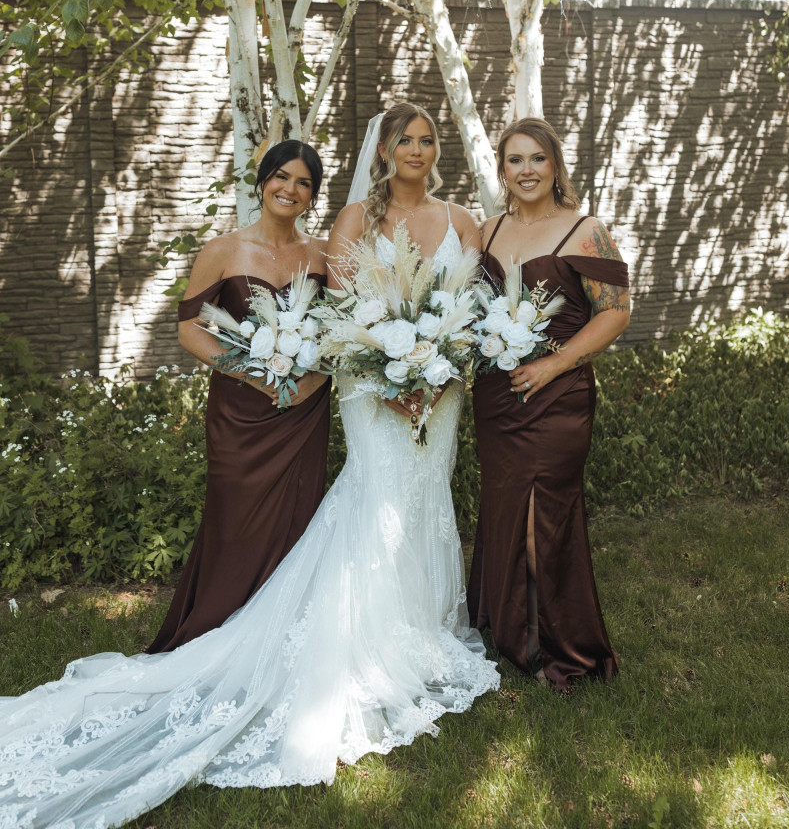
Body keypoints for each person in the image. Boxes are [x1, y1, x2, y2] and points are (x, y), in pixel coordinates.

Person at [0, 109, 498, 829]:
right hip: (330, 394)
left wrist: (434, 362)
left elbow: (432, 308)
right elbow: (329, 316)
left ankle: (421, 625)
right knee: (371, 497)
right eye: (403, 140)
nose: (415, 150)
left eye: (426, 139)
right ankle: (309, 631)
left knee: (422, 499)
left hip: (422, 387)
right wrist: (353, 371)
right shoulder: (332, 227)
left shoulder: (404, 231)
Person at [146, 140, 331, 652]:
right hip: (240, 412)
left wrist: (313, 381)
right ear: (263, 181)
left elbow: (341, 330)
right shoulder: (222, 251)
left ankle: (280, 637)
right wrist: (253, 375)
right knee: (235, 519)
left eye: (303, 183)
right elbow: (190, 329)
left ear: (313, 195)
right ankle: (217, 628)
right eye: (281, 176)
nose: (290, 189)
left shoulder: (322, 254)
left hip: (304, 411)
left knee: (298, 520)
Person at [467, 117, 630, 690]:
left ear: (555, 164)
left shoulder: (585, 231)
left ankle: (560, 646)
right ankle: (505, 625)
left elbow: (615, 313)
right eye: (515, 160)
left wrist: (552, 365)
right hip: (497, 399)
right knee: (505, 505)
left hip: (558, 396)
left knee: (545, 514)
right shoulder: (486, 232)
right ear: (502, 170)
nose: (527, 170)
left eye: (538, 158)